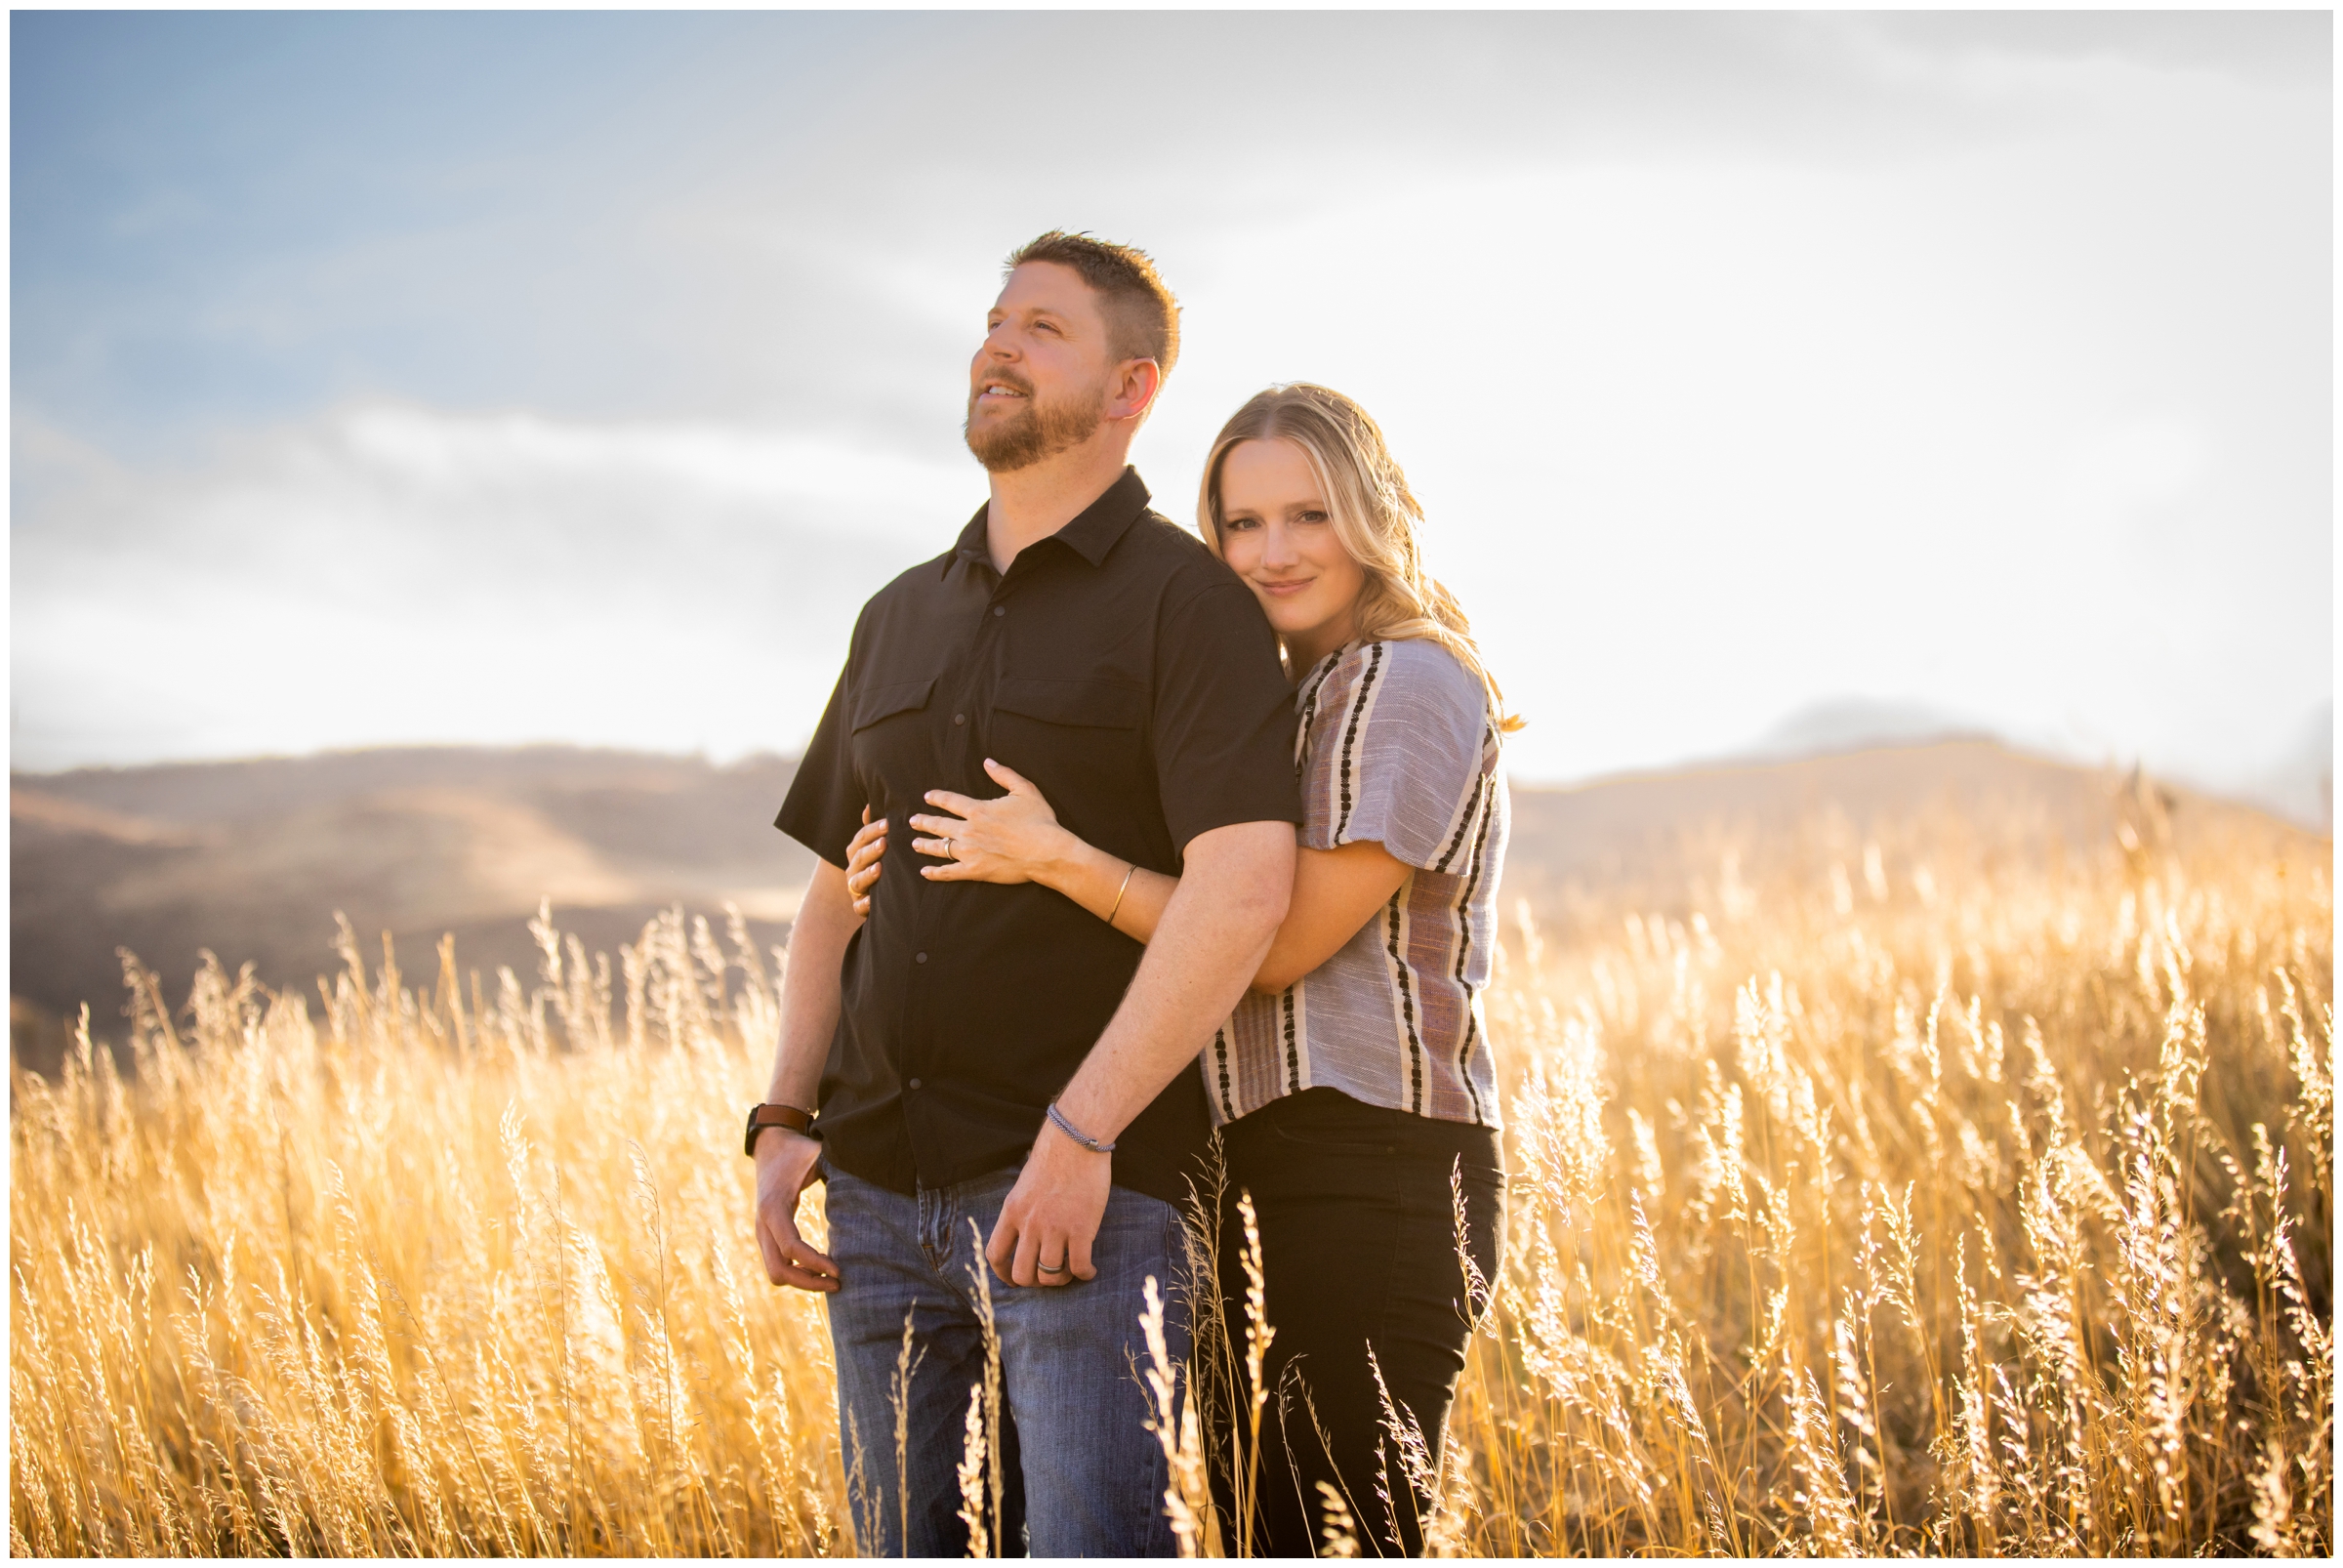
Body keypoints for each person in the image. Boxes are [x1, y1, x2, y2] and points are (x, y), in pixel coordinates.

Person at [846, 382, 1514, 1556]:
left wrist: (1055, 859)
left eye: (1307, 516)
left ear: (1374, 515)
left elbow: (1276, 941)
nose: (1271, 553)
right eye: (1241, 524)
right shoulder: (1284, 687)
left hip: (1378, 1155)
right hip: (1239, 1151)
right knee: (1248, 1508)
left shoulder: (1404, 683)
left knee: (1333, 1525)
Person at [750, 233, 1303, 1557]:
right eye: (996, 319)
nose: (997, 344)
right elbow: (835, 893)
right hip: (876, 1198)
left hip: (1081, 1193)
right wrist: (782, 1116)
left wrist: (1082, 1130)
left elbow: (1242, 894)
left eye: (1043, 329)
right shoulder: (898, 614)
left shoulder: (1191, 604)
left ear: (1132, 389)